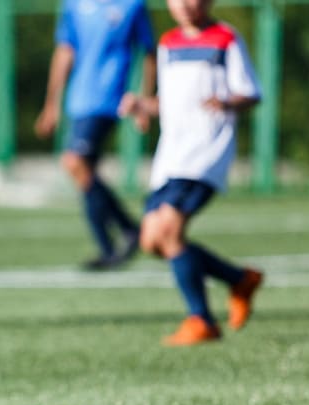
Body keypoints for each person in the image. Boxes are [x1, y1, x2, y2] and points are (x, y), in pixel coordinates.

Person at [118, 0, 264, 346]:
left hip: (206, 151)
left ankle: (201, 319)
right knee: (151, 240)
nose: (183, 4)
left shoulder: (225, 38)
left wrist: (227, 102)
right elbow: (167, 102)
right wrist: (142, 105)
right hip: (171, 156)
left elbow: (251, 92)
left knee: (168, 230)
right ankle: (239, 279)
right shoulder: (168, 43)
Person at [35, 0, 156, 270]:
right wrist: (52, 104)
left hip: (109, 99)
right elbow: (65, 51)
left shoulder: (132, 5)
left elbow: (149, 52)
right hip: (78, 100)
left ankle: (124, 233)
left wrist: (145, 102)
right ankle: (114, 243)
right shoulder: (73, 5)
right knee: (84, 173)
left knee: (74, 162)